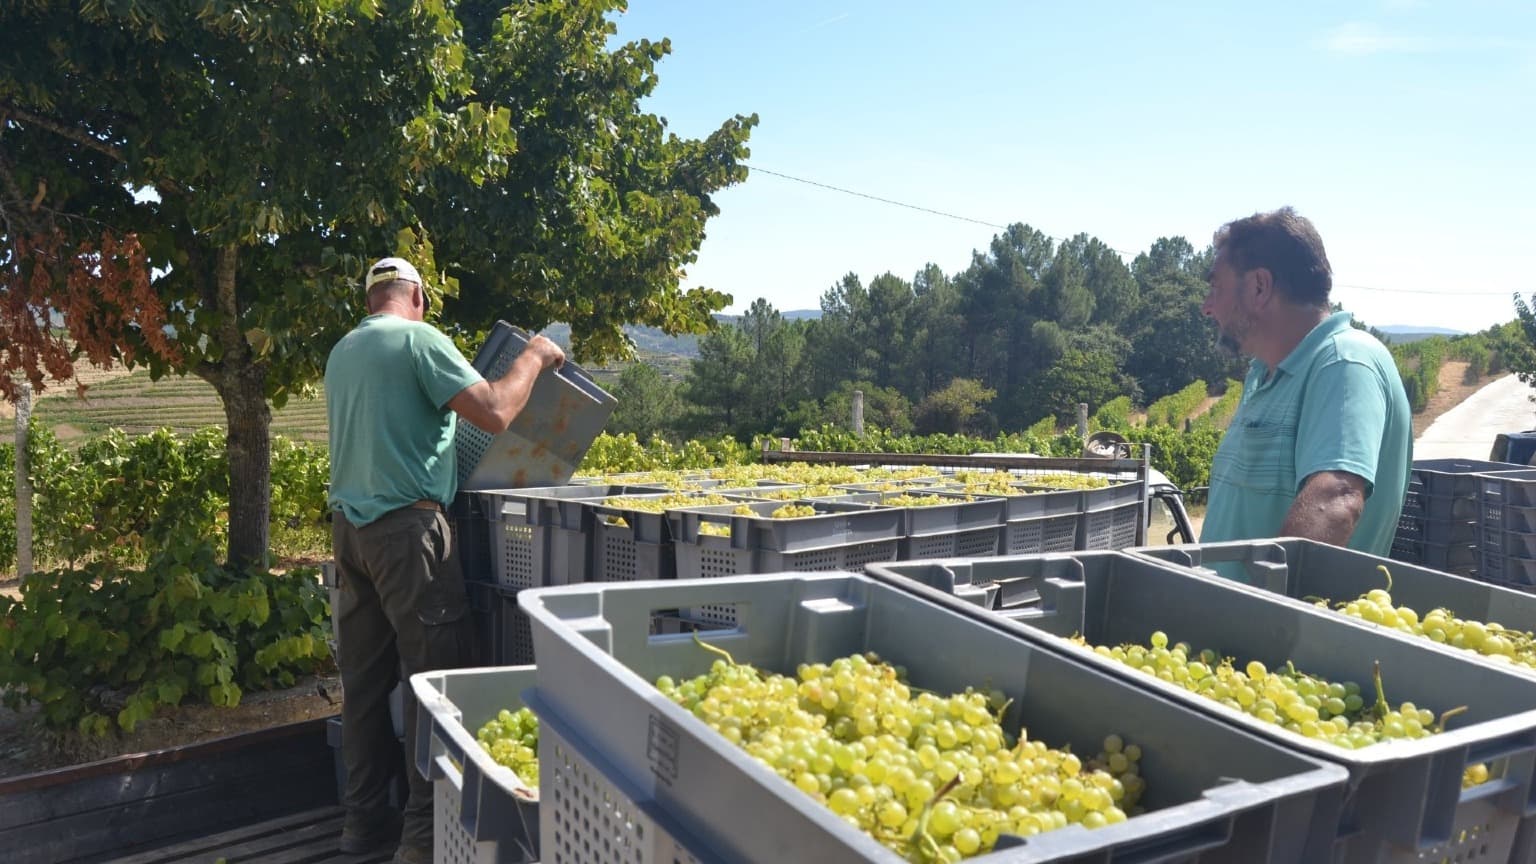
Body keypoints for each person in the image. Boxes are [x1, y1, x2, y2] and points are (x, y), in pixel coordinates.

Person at [325, 256, 564, 863]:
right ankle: (422, 838)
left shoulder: (344, 351)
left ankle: (361, 829)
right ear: (419, 298)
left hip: (349, 535)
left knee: (366, 686)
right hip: (408, 535)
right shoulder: (419, 340)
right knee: (435, 683)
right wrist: (534, 356)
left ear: (372, 296)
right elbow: (495, 411)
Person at [1198, 207, 1412, 557]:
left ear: (1259, 286)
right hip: (1223, 609)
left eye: (1216, 288)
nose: (1208, 307)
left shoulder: (1345, 361)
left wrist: (1263, 606)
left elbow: (1337, 498)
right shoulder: (1264, 373)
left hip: (1270, 612)